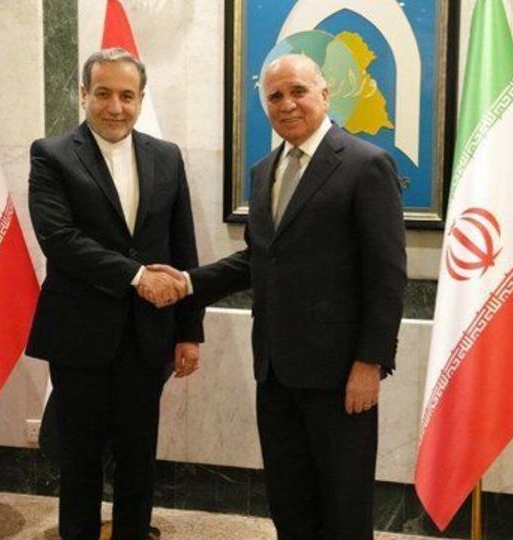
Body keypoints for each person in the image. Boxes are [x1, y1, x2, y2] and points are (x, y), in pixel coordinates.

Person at [154, 53, 407, 539]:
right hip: (274, 371)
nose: (286, 103)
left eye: (298, 91)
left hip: (340, 375)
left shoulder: (366, 165)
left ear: (325, 95)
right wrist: (187, 282)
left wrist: (370, 363)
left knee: (344, 505)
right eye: (274, 96)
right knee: (290, 502)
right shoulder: (264, 169)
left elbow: (387, 276)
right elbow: (259, 259)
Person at [25, 48, 200, 540]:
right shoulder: (52, 154)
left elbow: (182, 248)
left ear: (141, 98)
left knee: (138, 460)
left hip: (147, 338)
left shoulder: (167, 156)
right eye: (103, 94)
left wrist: (189, 332)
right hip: (79, 336)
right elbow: (59, 240)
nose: (116, 107)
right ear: (84, 95)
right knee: (79, 462)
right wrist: (136, 276)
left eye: (127, 95)